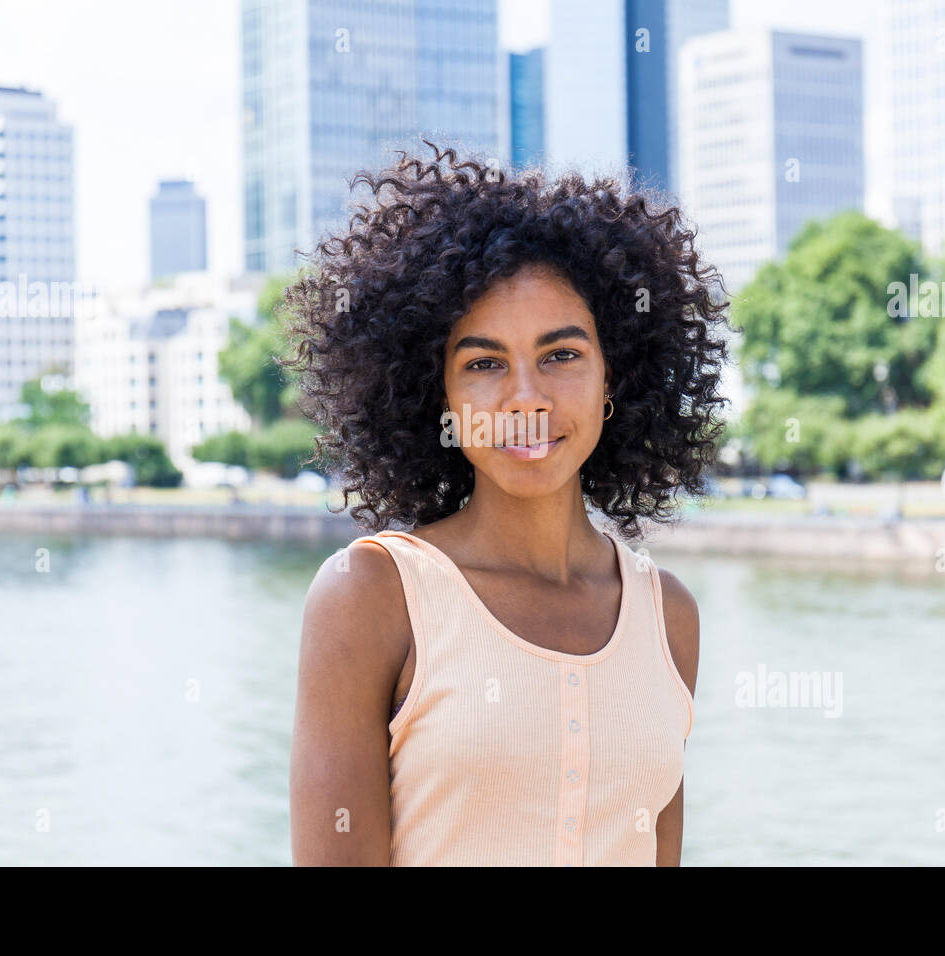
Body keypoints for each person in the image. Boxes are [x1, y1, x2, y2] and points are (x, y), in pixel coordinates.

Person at [285, 140, 733, 866]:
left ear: (612, 377)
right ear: (442, 398)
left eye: (562, 355)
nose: (526, 397)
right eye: (484, 363)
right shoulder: (370, 596)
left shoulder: (668, 615)